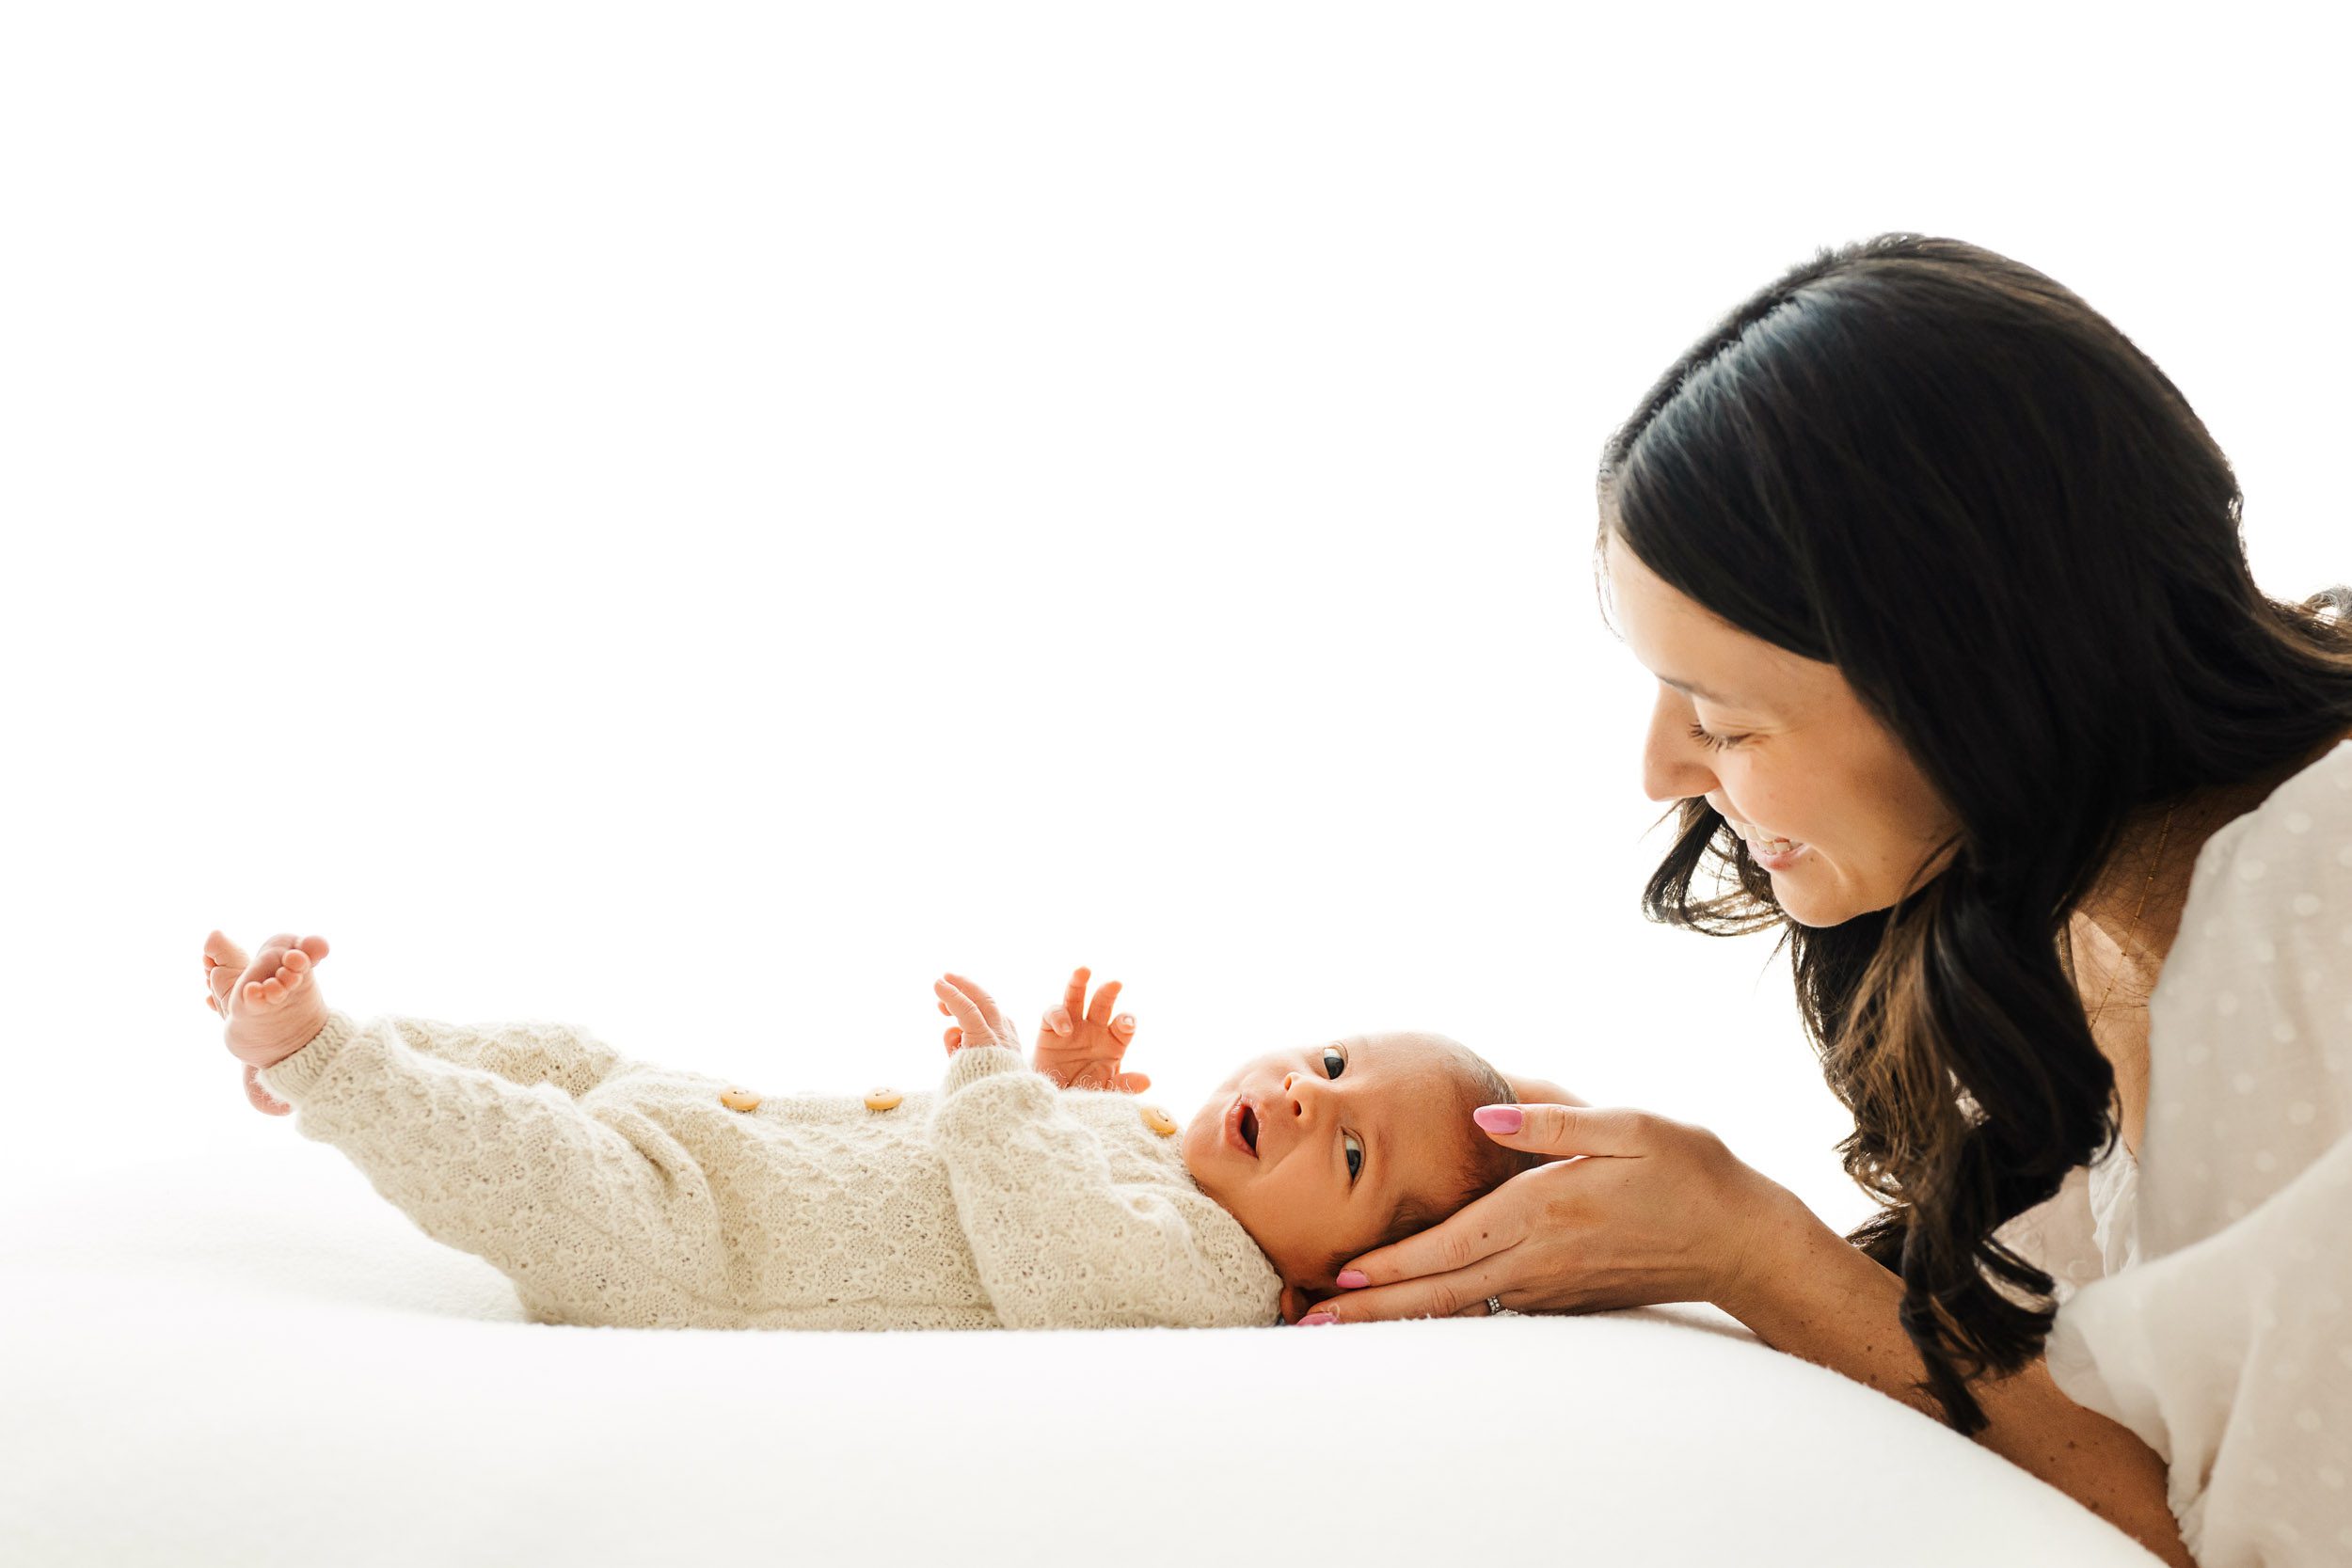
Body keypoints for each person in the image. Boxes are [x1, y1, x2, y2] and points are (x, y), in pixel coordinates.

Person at [1289, 234, 2352, 1568]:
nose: (1662, 767)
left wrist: (1756, 1252)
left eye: (1722, 719)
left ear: (1960, 676)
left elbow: (2254, 1545)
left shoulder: (2309, 921)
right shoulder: (2090, 922)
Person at [200, 937, 1539, 1329]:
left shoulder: (1221, 1279)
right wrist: (1077, 1087)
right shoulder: (1161, 1147)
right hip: (715, 1139)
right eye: (1329, 1062)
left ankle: (324, 1061)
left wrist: (1008, 1088)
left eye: (1350, 1153)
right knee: (566, 1060)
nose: (1306, 1097)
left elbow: (1058, 1255)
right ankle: (351, 1069)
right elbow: (1067, 1163)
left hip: (692, 1253)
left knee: (532, 1164)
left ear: (1337, 1280)